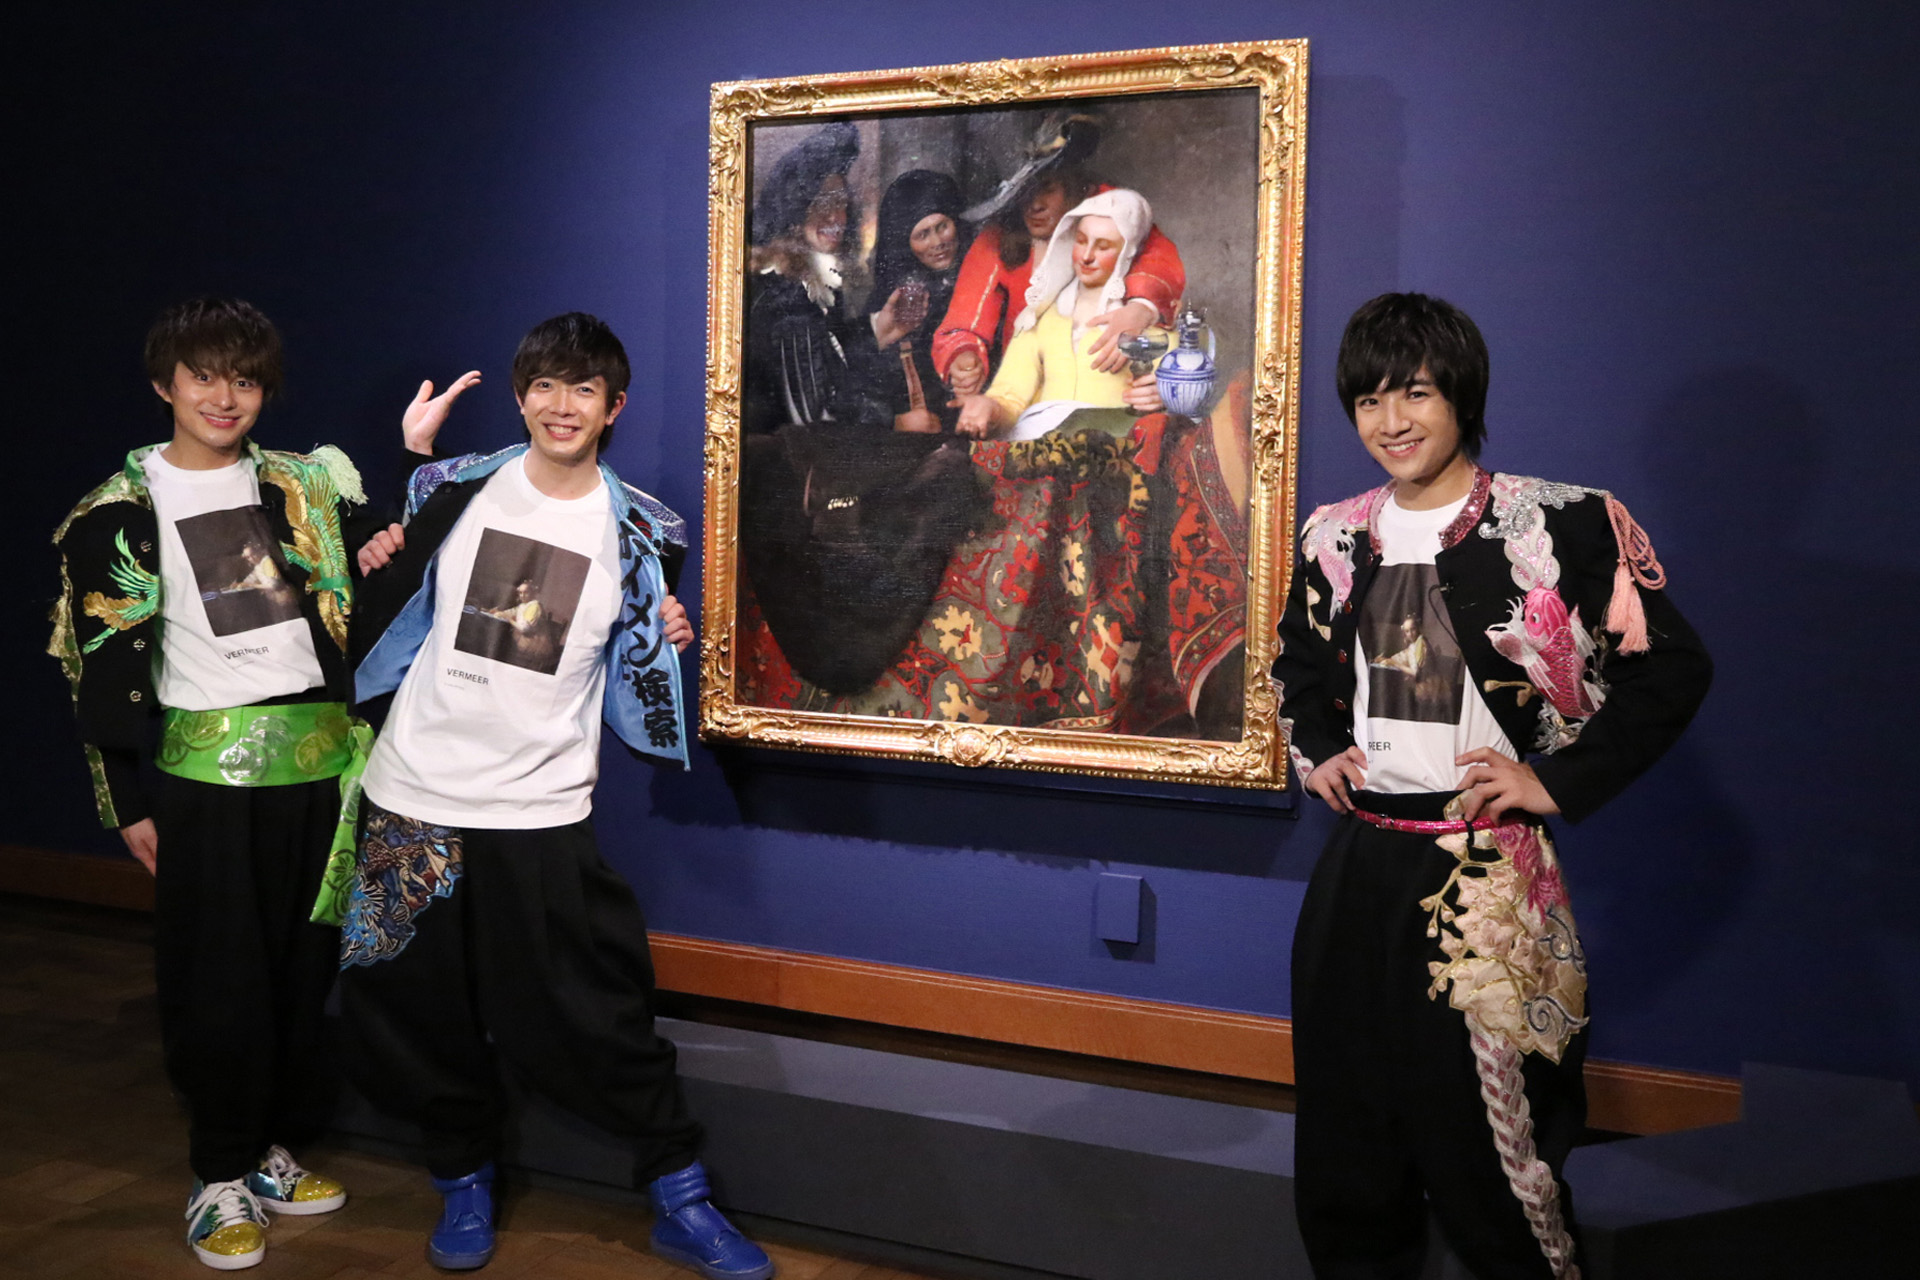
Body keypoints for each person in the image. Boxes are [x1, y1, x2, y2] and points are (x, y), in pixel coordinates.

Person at [1272, 293, 1712, 1280]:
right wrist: (1320, 747)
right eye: (1370, 399)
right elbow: (1297, 665)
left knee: (1493, 1154)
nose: (1392, 421)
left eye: (1415, 393)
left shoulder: (1561, 521)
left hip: (1487, 873)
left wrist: (1556, 782)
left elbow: (1672, 668)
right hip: (1357, 870)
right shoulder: (1332, 534)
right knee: (1346, 1133)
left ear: (1462, 396)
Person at [339, 312, 773, 1280]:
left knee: (595, 1010)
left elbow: (635, 653)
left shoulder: (646, 530)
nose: (560, 405)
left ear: (613, 406)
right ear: (519, 393)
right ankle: (462, 1175)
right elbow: (384, 582)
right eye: (544, 384)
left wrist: (664, 629)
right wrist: (385, 522)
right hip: (414, 793)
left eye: (582, 388)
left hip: (540, 808)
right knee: (414, 1006)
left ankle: (680, 1195)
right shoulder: (452, 488)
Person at [48, 297, 392, 1270]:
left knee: (300, 969)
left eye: (244, 378)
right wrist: (127, 800)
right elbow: (90, 666)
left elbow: (381, 575)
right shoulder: (115, 509)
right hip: (205, 775)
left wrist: (399, 500)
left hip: (319, 769)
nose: (224, 396)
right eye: (204, 375)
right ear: (165, 383)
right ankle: (218, 1171)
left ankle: (269, 1147)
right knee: (218, 977)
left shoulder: (303, 485)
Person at [931, 112, 1185, 397]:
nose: (1034, 205)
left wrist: (1139, 310)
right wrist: (964, 357)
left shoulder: (1109, 207)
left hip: (1110, 385)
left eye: (1047, 190)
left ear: (1071, 185)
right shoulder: (999, 235)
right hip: (1027, 391)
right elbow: (965, 318)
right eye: (1023, 193)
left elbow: (1158, 258)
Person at [952, 187, 1167, 440]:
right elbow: (1009, 398)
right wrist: (989, 409)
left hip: (1113, 447)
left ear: (1127, 253)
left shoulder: (1147, 322)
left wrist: (1163, 396)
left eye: (1103, 247)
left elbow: (1178, 399)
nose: (1087, 256)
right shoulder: (1040, 318)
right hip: (1042, 444)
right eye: (1081, 241)